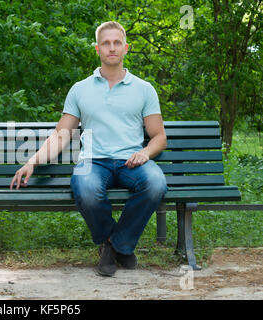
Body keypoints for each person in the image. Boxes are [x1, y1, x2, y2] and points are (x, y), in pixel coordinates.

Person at [10, 21, 168, 277]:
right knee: (85, 188)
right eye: (106, 43)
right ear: (98, 49)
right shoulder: (80, 89)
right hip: (94, 161)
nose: (112, 48)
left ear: (126, 48)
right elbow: (61, 135)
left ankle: (114, 245)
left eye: (117, 42)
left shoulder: (144, 89)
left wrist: (145, 153)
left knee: (156, 184)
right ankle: (118, 245)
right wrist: (32, 161)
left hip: (132, 160)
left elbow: (159, 136)